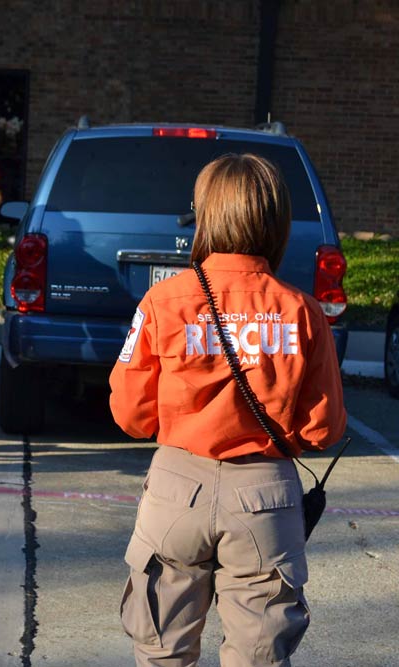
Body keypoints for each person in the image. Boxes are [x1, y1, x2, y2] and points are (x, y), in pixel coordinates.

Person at [109, 154, 346, 666]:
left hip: (177, 488)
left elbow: (130, 415)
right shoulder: (302, 311)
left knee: (160, 650)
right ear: (275, 219)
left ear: (204, 214)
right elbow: (324, 428)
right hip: (266, 498)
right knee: (259, 655)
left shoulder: (163, 301)